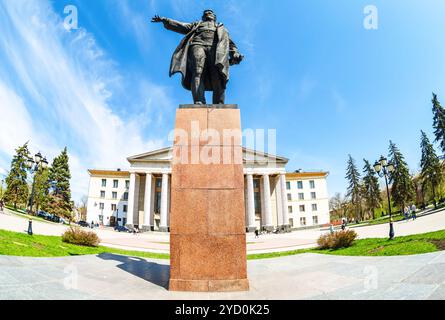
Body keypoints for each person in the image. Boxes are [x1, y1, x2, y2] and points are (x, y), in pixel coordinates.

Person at [151, 9, 243, 104]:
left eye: (211, 12)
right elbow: (181, 26)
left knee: (218, 75)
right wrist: (165, 20)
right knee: (197, 72)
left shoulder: (222, 29)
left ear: (214, 17)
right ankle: (199, 100)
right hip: (198, 45)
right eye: (206, 13)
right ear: (203, 17)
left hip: (216, 51)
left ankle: (219, 103)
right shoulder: (197, 25)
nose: (208, 13)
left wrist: (235, 53)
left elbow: (230, 44)